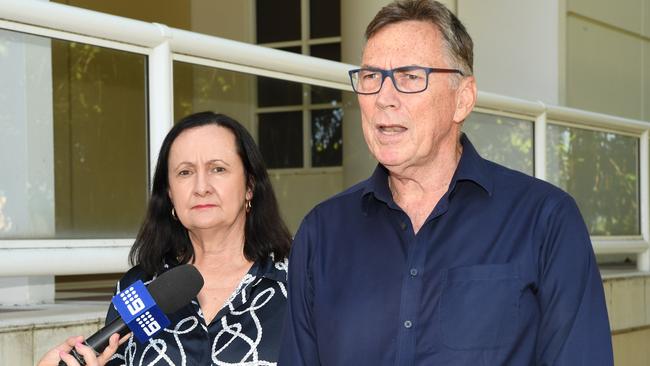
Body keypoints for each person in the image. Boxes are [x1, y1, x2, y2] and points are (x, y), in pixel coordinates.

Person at [279, 0, 613, 365]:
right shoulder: (320, 234)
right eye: (371, 77)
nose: (383, 99)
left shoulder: (545, 221)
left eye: (409, 77)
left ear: (462, 99)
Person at [39, 112, 292, 366]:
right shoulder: (139, 287)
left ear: (249, 186)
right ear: (170, 193)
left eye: (218, 169)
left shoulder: (297, 282)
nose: (201, 187)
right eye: (185, 172)